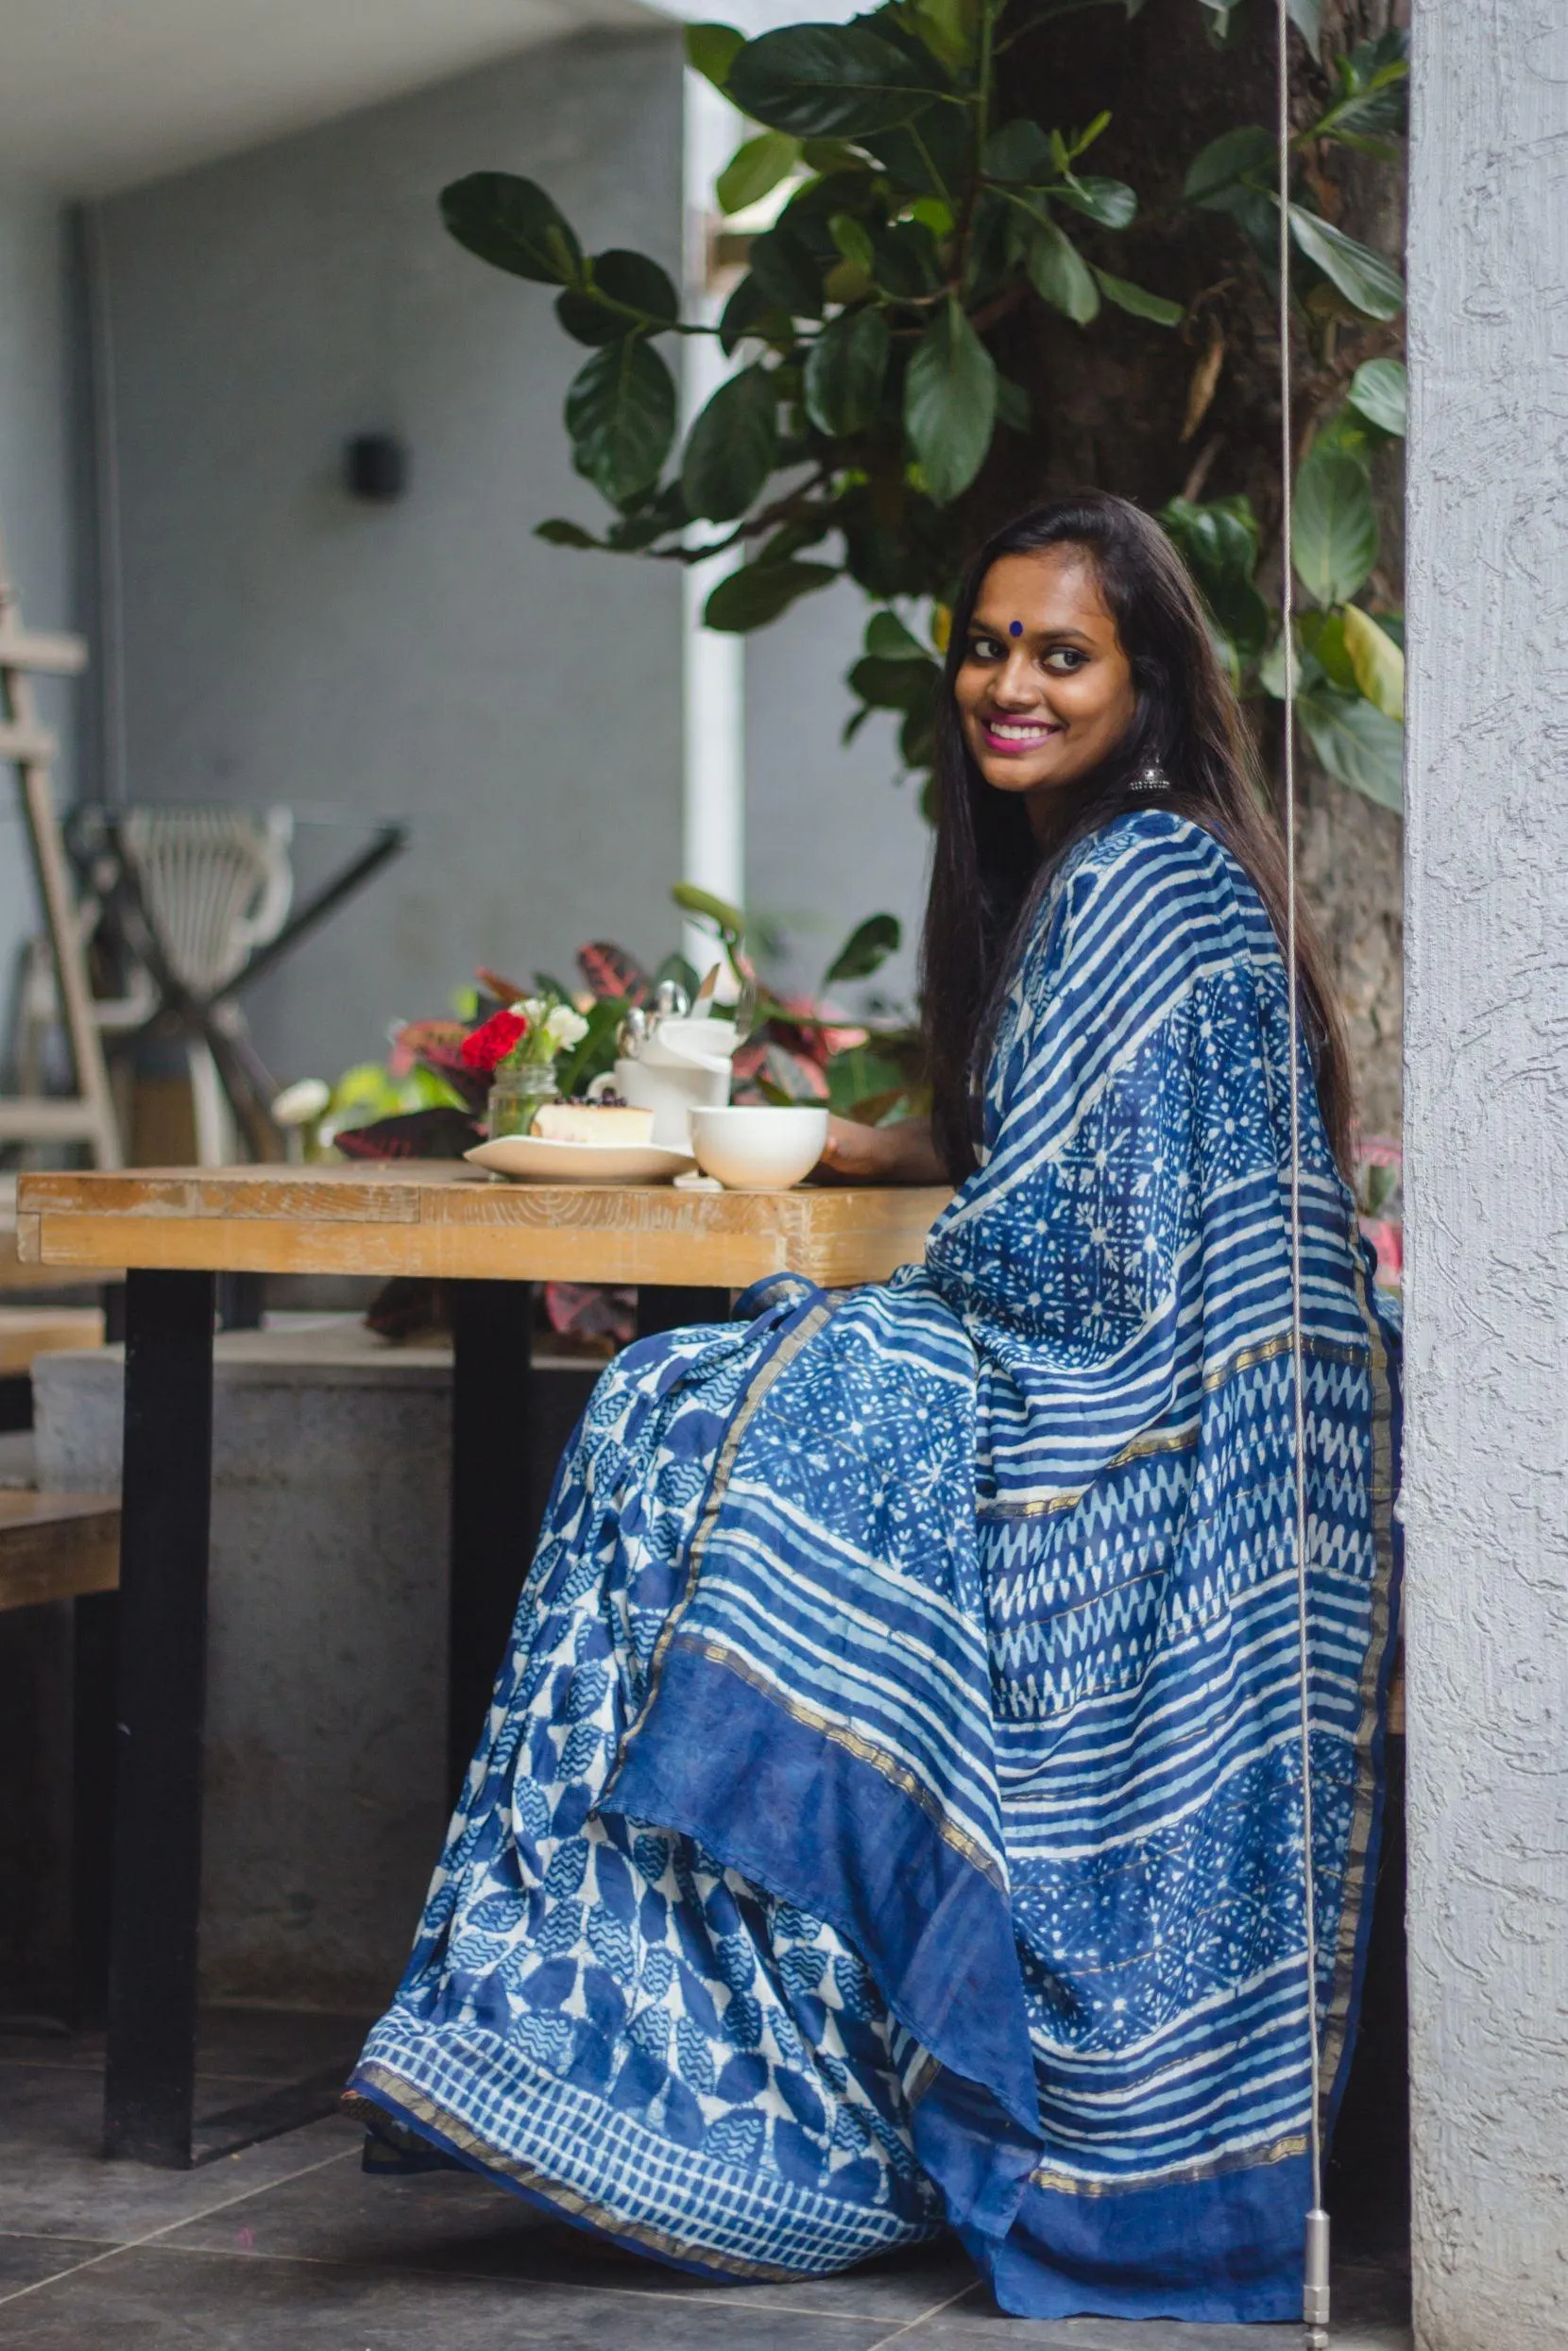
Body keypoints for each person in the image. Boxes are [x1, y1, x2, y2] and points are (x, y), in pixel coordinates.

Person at [349, 492, 1401, 2325]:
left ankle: (728, 2102)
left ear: (1144, 681)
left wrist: (893, 1294)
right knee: (685, 1403)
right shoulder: (1101, 863)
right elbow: (1075, 1155)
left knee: (684, 1412)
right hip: (1157, 1383)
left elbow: (1098, 1250)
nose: (1007, 682)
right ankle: (675, 2071)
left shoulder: (1143, 875)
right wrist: (898, 1145)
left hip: (1149, 1425)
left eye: (1058, 652)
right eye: (985, 646)